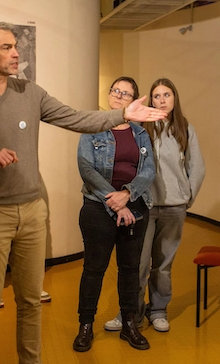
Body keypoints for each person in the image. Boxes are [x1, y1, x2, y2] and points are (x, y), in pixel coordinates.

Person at [0, 22, 166, 364]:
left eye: (16, 46)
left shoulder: (30, 92)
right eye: (6, 48)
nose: (16, 53)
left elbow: (75, 118)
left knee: (30, 300)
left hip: (31, 211)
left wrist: (122, 114)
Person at [105, 78, 205, 333]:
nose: (162, 100)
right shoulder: (140, 128)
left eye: (166, 95)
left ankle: (158, 310)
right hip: (143, 206)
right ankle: (130, 313)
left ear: (174, 98)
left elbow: (196, 167)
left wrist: (187, 197)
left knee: (162, 266)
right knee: (138, 263)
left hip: (174, 208)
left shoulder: (185, 128)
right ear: (150, 100)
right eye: (157, 96)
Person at [73, 77, 155, 353]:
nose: (119, 95)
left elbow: (149, 170)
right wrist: (116, 202)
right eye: (116, 91)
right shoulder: (93, 127)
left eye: (126, 93)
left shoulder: (140, 134)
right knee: (93, 269)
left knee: (130, 269)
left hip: (135, 206)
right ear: (109, 95)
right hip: (98, 207)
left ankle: (129, 324)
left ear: (134, 100)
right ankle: (85, 325)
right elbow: (86, 169)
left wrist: (128, 193)